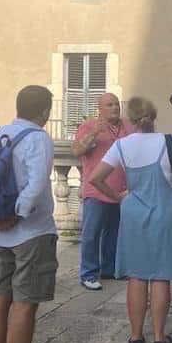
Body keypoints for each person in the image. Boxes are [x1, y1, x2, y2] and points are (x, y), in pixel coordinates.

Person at [90, 97, 172, 343]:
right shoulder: (170, 141)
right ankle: (159, 336)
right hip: (165, 212)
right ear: (153, 116)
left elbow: (95, 178)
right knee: (161, 275)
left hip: (134, 212)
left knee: (136, 275)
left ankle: (136, 336)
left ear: (131, 119)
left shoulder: (122, 146)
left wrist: (117, 197)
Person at [0, 86, 58, 343]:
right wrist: (18, 213)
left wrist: (0, 216)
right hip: (30, 231)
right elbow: (38, 183)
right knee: (25, 301)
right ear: (44, 112)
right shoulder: (38, 139)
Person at [72, 93, 133, 290]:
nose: (114, 108)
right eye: (109, 105)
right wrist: (94, 134)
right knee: (92, 234)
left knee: (114, 233)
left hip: (121, 192)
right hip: (96, 190)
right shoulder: (89, 126)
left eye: (116, 104)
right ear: (99, 108)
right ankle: (88, 274)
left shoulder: (127, 126)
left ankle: (109, 268)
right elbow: (77, 151)